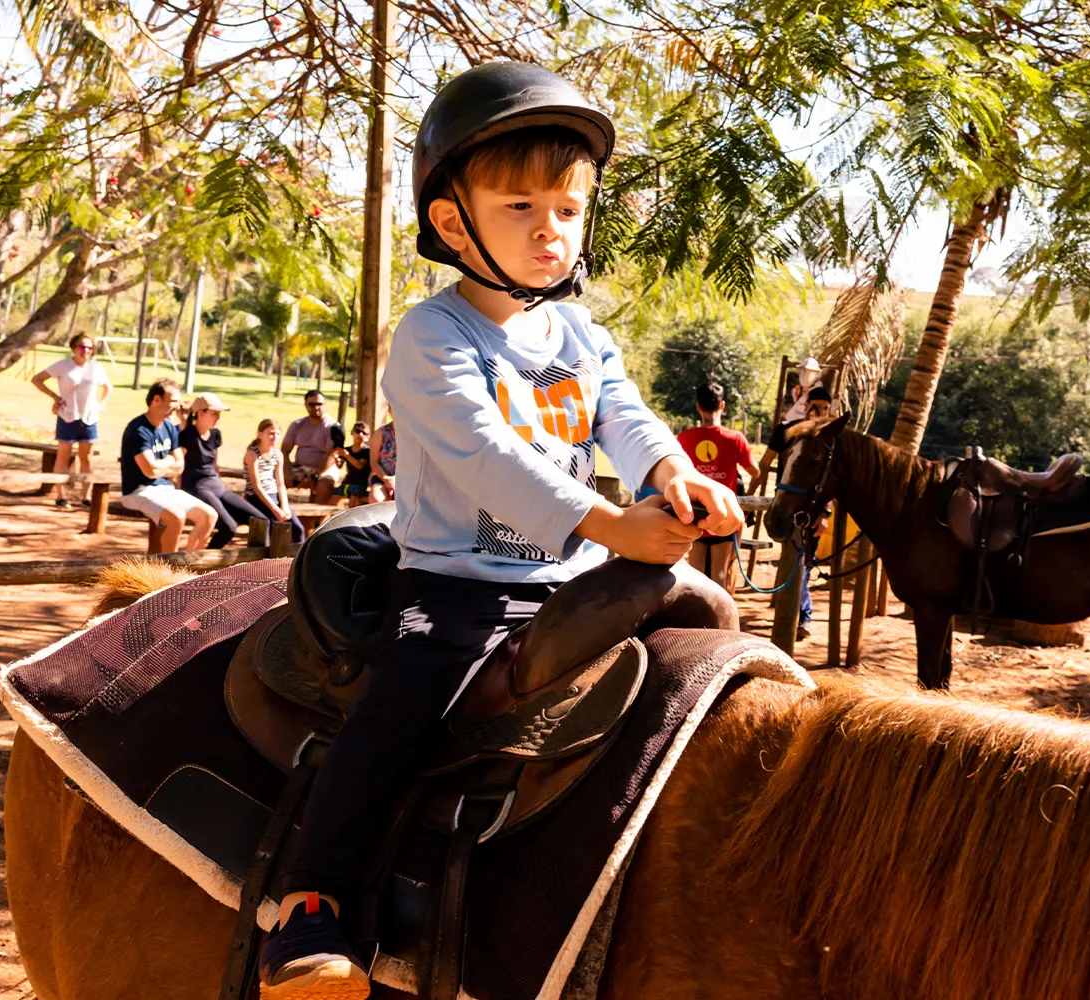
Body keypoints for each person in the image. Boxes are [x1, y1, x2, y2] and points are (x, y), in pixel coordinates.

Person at [255, 62, 744, 999]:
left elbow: (629, 419)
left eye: (567, 208)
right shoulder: (432, 336)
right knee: (401, 714)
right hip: (456, 584)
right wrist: (608, 519)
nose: (549, 230)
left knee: (707, 637)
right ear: (454, 223)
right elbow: (484, 459)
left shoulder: (583, 337)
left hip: (574, 578)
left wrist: (677, 479)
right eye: (520, 205)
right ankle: (310, 905)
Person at [676, 382, 756, 592]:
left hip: (694, 517)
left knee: (695, 578)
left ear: (698, 407)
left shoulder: (684, 438)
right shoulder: (735, 439)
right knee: (720, 578)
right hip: (725, 518)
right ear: (722, 406)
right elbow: (755, 472)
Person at [118, 379, 215, 553]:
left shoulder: (169, 427)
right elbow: (150, 471)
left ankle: (186, 564)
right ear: (156, 400)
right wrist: (169, 461)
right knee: (176, 517)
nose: (178, 406)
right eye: (173, 401)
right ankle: (167, 570)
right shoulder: (138, 430)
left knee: (209, 516)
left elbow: (180, 467)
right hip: (138, 491)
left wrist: (164, 465)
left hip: (165, 487)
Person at [30, 332, 112, 508]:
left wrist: (101, 404)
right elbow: (37, 379)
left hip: (89, 419)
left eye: (90, 347)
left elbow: (107, 387)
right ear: (74, 348)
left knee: (86, 459)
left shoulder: (96, 368)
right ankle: (60, 496)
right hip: (67, 416)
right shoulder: (63, 365)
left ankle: (86, 497)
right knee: (63, 457)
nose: (86, 351)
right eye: (82, 347)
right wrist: (54, 396)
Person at [179, 392, 269, 548]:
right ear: (201, 413)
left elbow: (215, 465)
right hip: (196, 487)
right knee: (229, 526)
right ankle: (203, 561)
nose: (218, 418)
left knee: (261, 521)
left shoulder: (215, 434)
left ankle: (260, 566)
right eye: (214, 414)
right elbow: (178, 466)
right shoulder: (187, 435)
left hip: (216, 486)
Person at [794, 384, 836, 640]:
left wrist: (826, 513)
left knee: (805, 566)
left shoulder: (831, 439)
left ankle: (804, 617)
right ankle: (802, 615)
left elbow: (832, 483)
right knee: (797, 566)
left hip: (815, 515)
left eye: (824, 407)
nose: (819, 411)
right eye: (814, 406)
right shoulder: (797, 433)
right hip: (793, 511)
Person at [750, 356, 824, 493]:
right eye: (803, 371)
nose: (806, 375)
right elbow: (765, 462)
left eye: (810, 372)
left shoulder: (827, 438)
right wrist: (749, 493)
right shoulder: (784, 428)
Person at [245, 418, 306, 545]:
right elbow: (257, 487)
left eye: (277, 434)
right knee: (271, 526)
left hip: (275, 496)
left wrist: (284, 506)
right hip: (257, 497)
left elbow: (280, 484)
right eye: (271, 433)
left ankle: (298, 561)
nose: (275, 437)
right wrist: (275, 510)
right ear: (260, 434)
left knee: (298, 529)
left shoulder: (277, 455)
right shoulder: (252, 454)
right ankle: (266, 563)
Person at [282, 389, 345, 504]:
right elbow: (285, 450)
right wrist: (286, 472)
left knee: (325, 485)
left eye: (319, 404)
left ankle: (317, 520)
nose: (316, 407)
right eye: (311, 404)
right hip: (300, 466)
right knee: (273, 479)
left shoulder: (333, 427)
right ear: (305, 405)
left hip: (325, 468)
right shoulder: (297, 425)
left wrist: (314, 476)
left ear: (325, 405)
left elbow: (331, 455)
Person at [337, 422, 373, 507]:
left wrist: (346, 455)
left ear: (368, 437)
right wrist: (336, 457)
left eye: (364, 433)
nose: (360, 434)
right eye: (357, 431)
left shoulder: (367, 452)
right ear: (352, 432)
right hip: (347, 482)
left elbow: (359, 465)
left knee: (353, 502)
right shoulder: (347, 449)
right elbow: (339, 465)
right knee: (332, 500)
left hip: (360, 485)